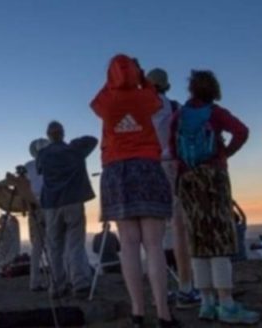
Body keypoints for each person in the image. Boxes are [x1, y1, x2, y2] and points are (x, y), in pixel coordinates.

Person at [91, 55, 177, 327]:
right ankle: (163, 313)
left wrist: (114, 79)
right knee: (154, 245)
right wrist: (138, 76)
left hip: (116, 171)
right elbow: (153, 94)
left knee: (128, 245)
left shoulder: (105, 101)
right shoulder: (147, 98)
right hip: (147, 167)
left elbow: (98, 100)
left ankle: (138, 312)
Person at [171, 70, 258, 324]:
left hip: (188, 180)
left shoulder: (179, 116)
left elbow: (173, 148)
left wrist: (182, 177)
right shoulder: (216, 113)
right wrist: (224, 155)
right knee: (219, 239)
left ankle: (207, 304)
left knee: (197, 241)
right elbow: (242, 131)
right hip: (214, 179)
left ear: (191, 90)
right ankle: (227, 304)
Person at [147, 68, 199, 309]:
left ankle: (161, 290)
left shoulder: (140, 107)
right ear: (166, 85)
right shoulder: (174, 106)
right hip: (172, 165)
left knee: (152, 232)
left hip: (147, 168)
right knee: (179, 228)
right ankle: (186, 288)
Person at [36, 121, 97, 298]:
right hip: (73, 201)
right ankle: (80, 283)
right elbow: (92, 140)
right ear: (62, 133)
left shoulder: (43, 154)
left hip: (52, 205)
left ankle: (57, 286)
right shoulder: (75, 150)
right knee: (75, 243)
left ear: (48, 135)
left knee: (55, 246)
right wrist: (72, 143)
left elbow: (39, 170)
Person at [24, 138, 50, 292]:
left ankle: (34, 282)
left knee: (37, 247)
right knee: (55, 243)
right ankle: (59, 279)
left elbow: (23, 187)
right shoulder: (52, 164)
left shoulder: (28, 167)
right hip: (50, 205)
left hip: (33, 206)